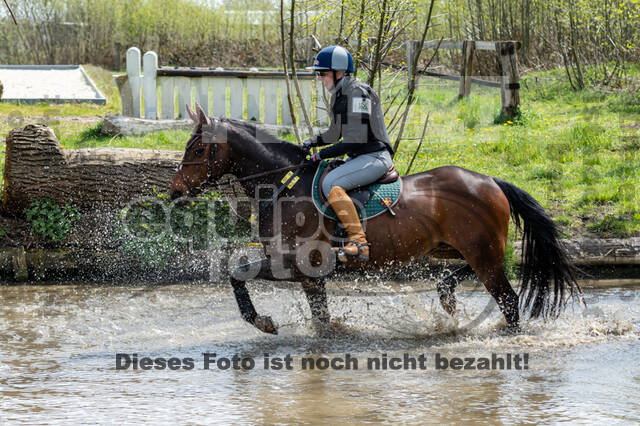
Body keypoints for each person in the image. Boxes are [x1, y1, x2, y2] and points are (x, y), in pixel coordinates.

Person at [302, 45, 394, 261]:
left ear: (340, 72)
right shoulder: (340, 96)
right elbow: (335, 133)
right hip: (360, 156)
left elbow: (354, 139)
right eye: (319, 74)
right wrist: (310, 143)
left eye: (323, 74)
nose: (320, 79)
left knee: (332, 185)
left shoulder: (358, 93)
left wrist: (320, 154)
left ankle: (359, 242)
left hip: (375, 156)